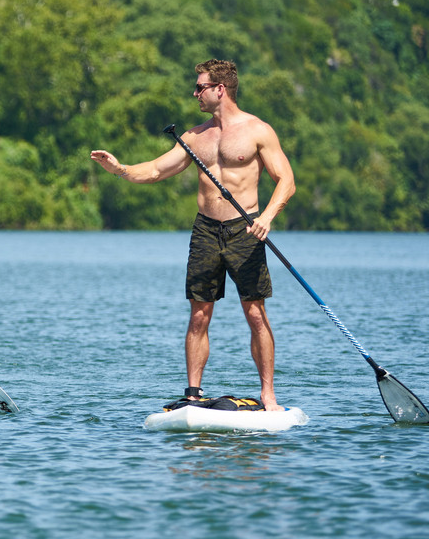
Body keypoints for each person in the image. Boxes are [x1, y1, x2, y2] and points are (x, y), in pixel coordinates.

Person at [89, 59, 296, 411]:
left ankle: (268, 395)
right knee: (199, 314)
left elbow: (287, 181)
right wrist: (120, 169)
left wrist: (268, 217)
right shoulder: (195, 136)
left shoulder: (257, 130)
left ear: (220, 89)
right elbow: (156, 169)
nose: (195, 92)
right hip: (205, 231)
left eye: (200, 86)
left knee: (255, 314)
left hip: (245, 229)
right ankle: (193, 394)